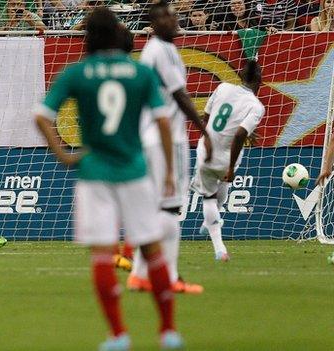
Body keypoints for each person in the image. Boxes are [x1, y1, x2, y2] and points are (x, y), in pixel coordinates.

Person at [35, 7, 184, 350]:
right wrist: (170, 172)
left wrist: (63, 154)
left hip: (94, 173)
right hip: (134, 171)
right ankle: (168, 331)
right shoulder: (140, 73)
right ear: (118, 34)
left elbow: (42, 116)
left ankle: (118, 335)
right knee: (152, 249)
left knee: (103, 255)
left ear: (87, 36)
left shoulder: (77, 72)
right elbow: (163, 122)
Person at [126, 0, 211, 294]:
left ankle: (139, 274)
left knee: (156, 209)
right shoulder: (158, 51)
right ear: (154, 22)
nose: (174, 20)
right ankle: (170, 276)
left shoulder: (166, 49)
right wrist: (206, 131)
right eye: (167, 16)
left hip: (159, 136)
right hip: (164, 138)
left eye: (175, 15)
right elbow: (180, 96)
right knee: (170, 207)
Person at [191, 60, 264, 261]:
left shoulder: (222, 88)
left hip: (206, 151)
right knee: (215, 194)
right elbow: (240, 134)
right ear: (260, 79)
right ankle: (219, 246)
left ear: (240, 75)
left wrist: (210, 137)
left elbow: (206, 116)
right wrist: (231, 167)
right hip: (226, 157)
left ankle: (212, 232)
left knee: (211, 197)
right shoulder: (256, 106)